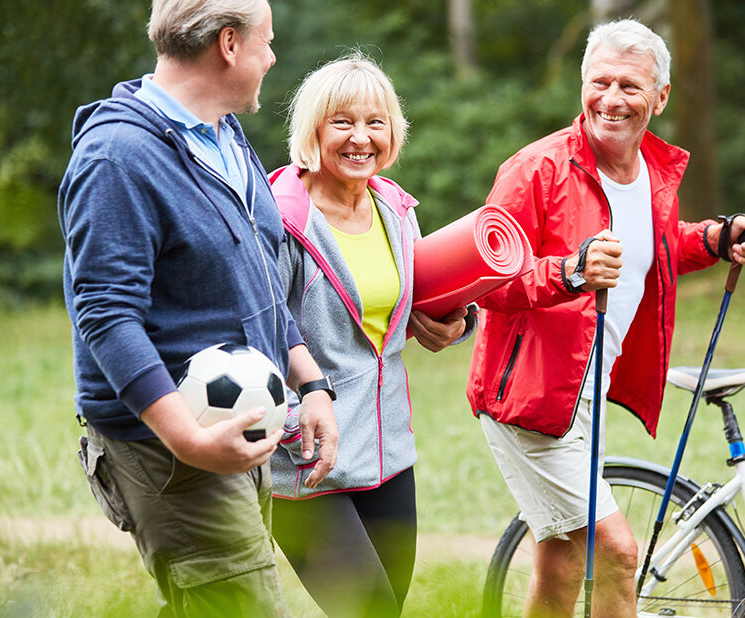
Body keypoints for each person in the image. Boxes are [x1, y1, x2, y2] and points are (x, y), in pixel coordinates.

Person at [466, 19, 745, 617]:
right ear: (582, 83)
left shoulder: (655, 174)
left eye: (630, 86)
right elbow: (486, 282)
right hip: (530, 398)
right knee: (616, 551)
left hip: (587, 393)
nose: (611, 99)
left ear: (659, 98)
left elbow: (651, 248)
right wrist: (570, 273)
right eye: (599, 81)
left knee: (560, 561)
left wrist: (714, 238)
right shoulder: (536, 169)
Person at [58, 0, 338, 614]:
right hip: (170, 445)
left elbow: (257, 278)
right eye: (267, 41)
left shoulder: (223, 135)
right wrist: (187, 439)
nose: (273, 57)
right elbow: (105, 314)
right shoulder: (118, 158)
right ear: (230, 45)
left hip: (233, 426)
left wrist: (310, 382)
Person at [267, 51, 473, 618]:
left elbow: (412, 302)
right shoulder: (280, 218)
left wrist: (457, 321)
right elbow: (257, 328)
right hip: (308, 457)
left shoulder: (395, 208)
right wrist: (288, 421)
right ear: (313, 130)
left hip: (388, 455)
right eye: (343, 122)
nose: (361, 138)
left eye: (375, 123)